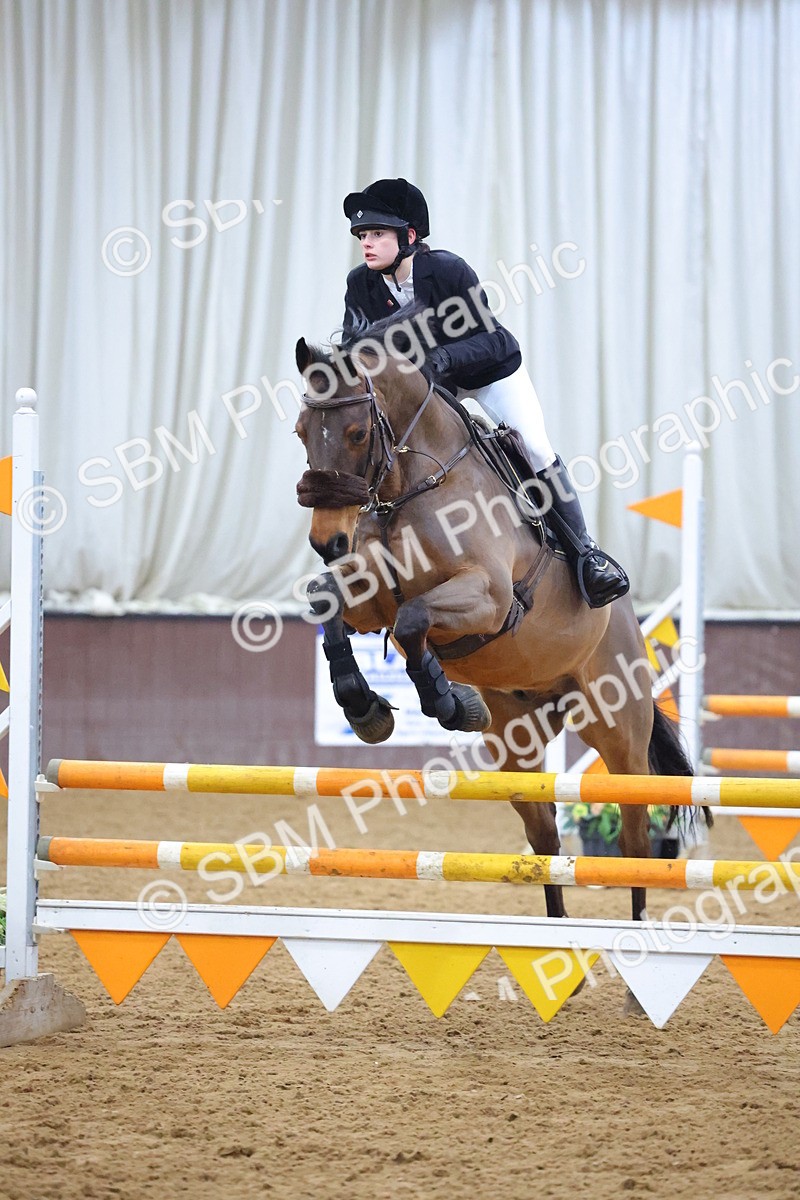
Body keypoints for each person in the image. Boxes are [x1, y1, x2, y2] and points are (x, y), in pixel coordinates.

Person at [341, 177, 629, 608]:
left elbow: (492, 339)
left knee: (533, 446)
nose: (367, 243)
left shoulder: (446, 270)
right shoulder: (360, 284)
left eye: (378, 234)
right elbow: (355, 352)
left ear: (410, 236)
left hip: (490, 372)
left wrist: (440, 360)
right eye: (363, 235)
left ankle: (586, 555)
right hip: (433, 385)